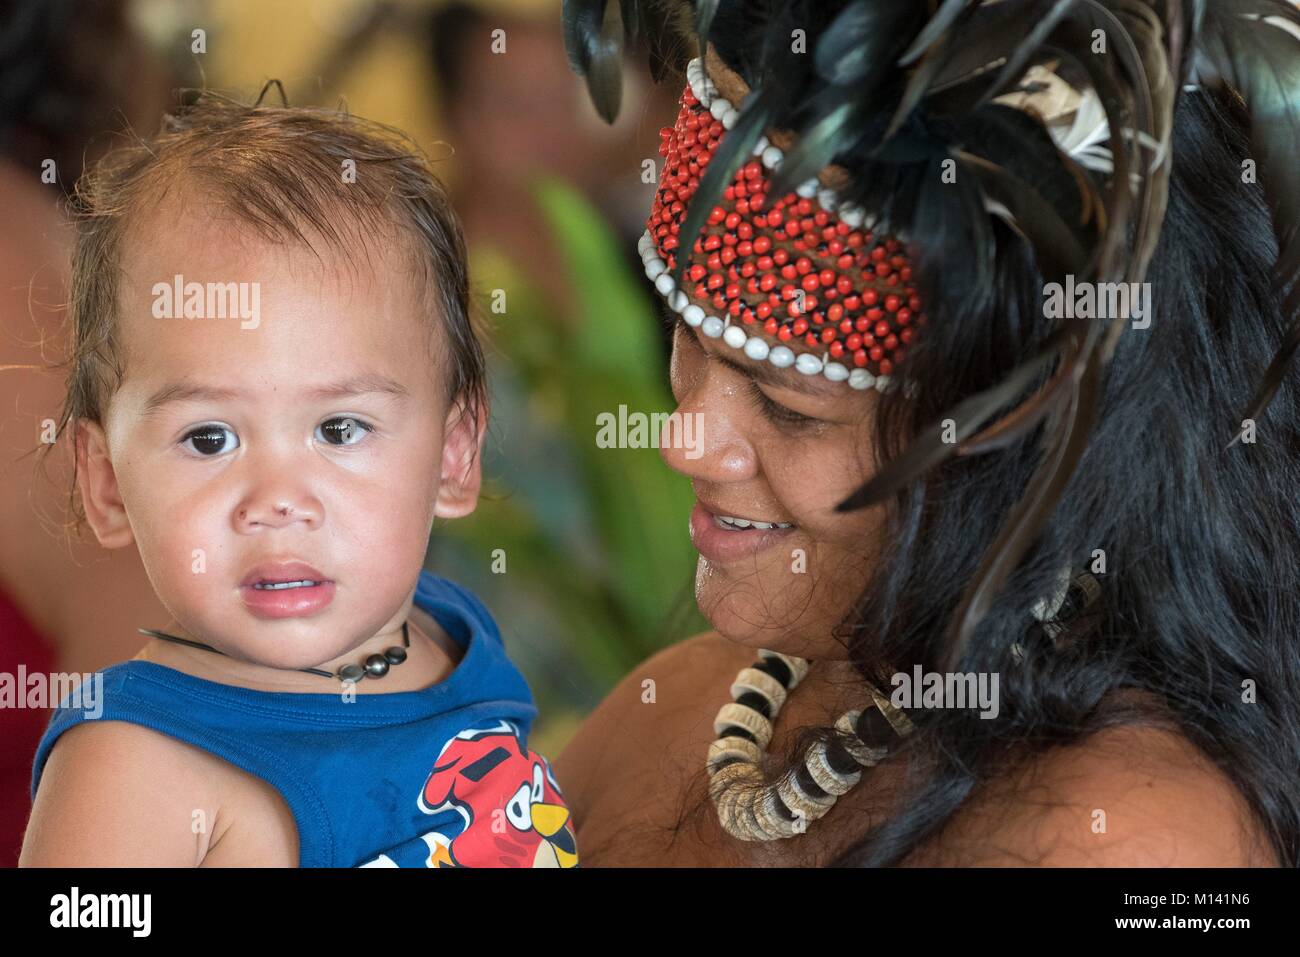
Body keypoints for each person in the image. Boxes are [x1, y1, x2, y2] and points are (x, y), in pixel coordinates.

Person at [555, 0, 1300, 866]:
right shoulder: (667, 705)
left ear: (1027, 446)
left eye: (790, 406)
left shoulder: (1136, 845)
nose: (684, 440)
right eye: (686, 338)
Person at [19, 90, 577, 868]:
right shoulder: (135, 765)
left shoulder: (456, 635)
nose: (278, 500)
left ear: (454, 456)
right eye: (208, 437)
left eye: (339, 429)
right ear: (108, 482)